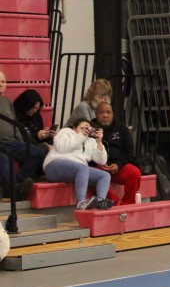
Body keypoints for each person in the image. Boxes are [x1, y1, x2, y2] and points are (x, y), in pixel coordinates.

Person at [43, 118, 114, 210]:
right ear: (74, 128)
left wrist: (99, 141)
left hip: (78, 169)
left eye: (88, 128)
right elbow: (61, 148)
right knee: (83, 168)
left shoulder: (90, 141)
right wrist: (80, 136)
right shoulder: (66, 132)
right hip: (55, 164)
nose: (85, 130)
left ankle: (100, 201)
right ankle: (81, 201)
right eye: (82, 128)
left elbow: (102, 161)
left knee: (104, 175)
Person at [0, 71, 46, 200]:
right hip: (0, 146)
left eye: (3, 82)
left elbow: (14, 123)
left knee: (39, 152)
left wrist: (20, 140)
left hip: (13, 142)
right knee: (4, 158)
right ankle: (11, 190)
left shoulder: (6, 102)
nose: (1, 84)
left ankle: (18, 182)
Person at [92, 102, 143, 205]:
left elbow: (129, 151)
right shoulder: (90, 129)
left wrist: (118, 164)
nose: (105, 115)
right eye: (101, 113)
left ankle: (128, 203)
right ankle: (115, 202)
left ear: (112, 114)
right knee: (90, 175)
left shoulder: (122, 128)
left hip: (118, 166)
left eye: (108, 112)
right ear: (96, 115)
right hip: (98, 167)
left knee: (134, 173)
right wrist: (98, 164)